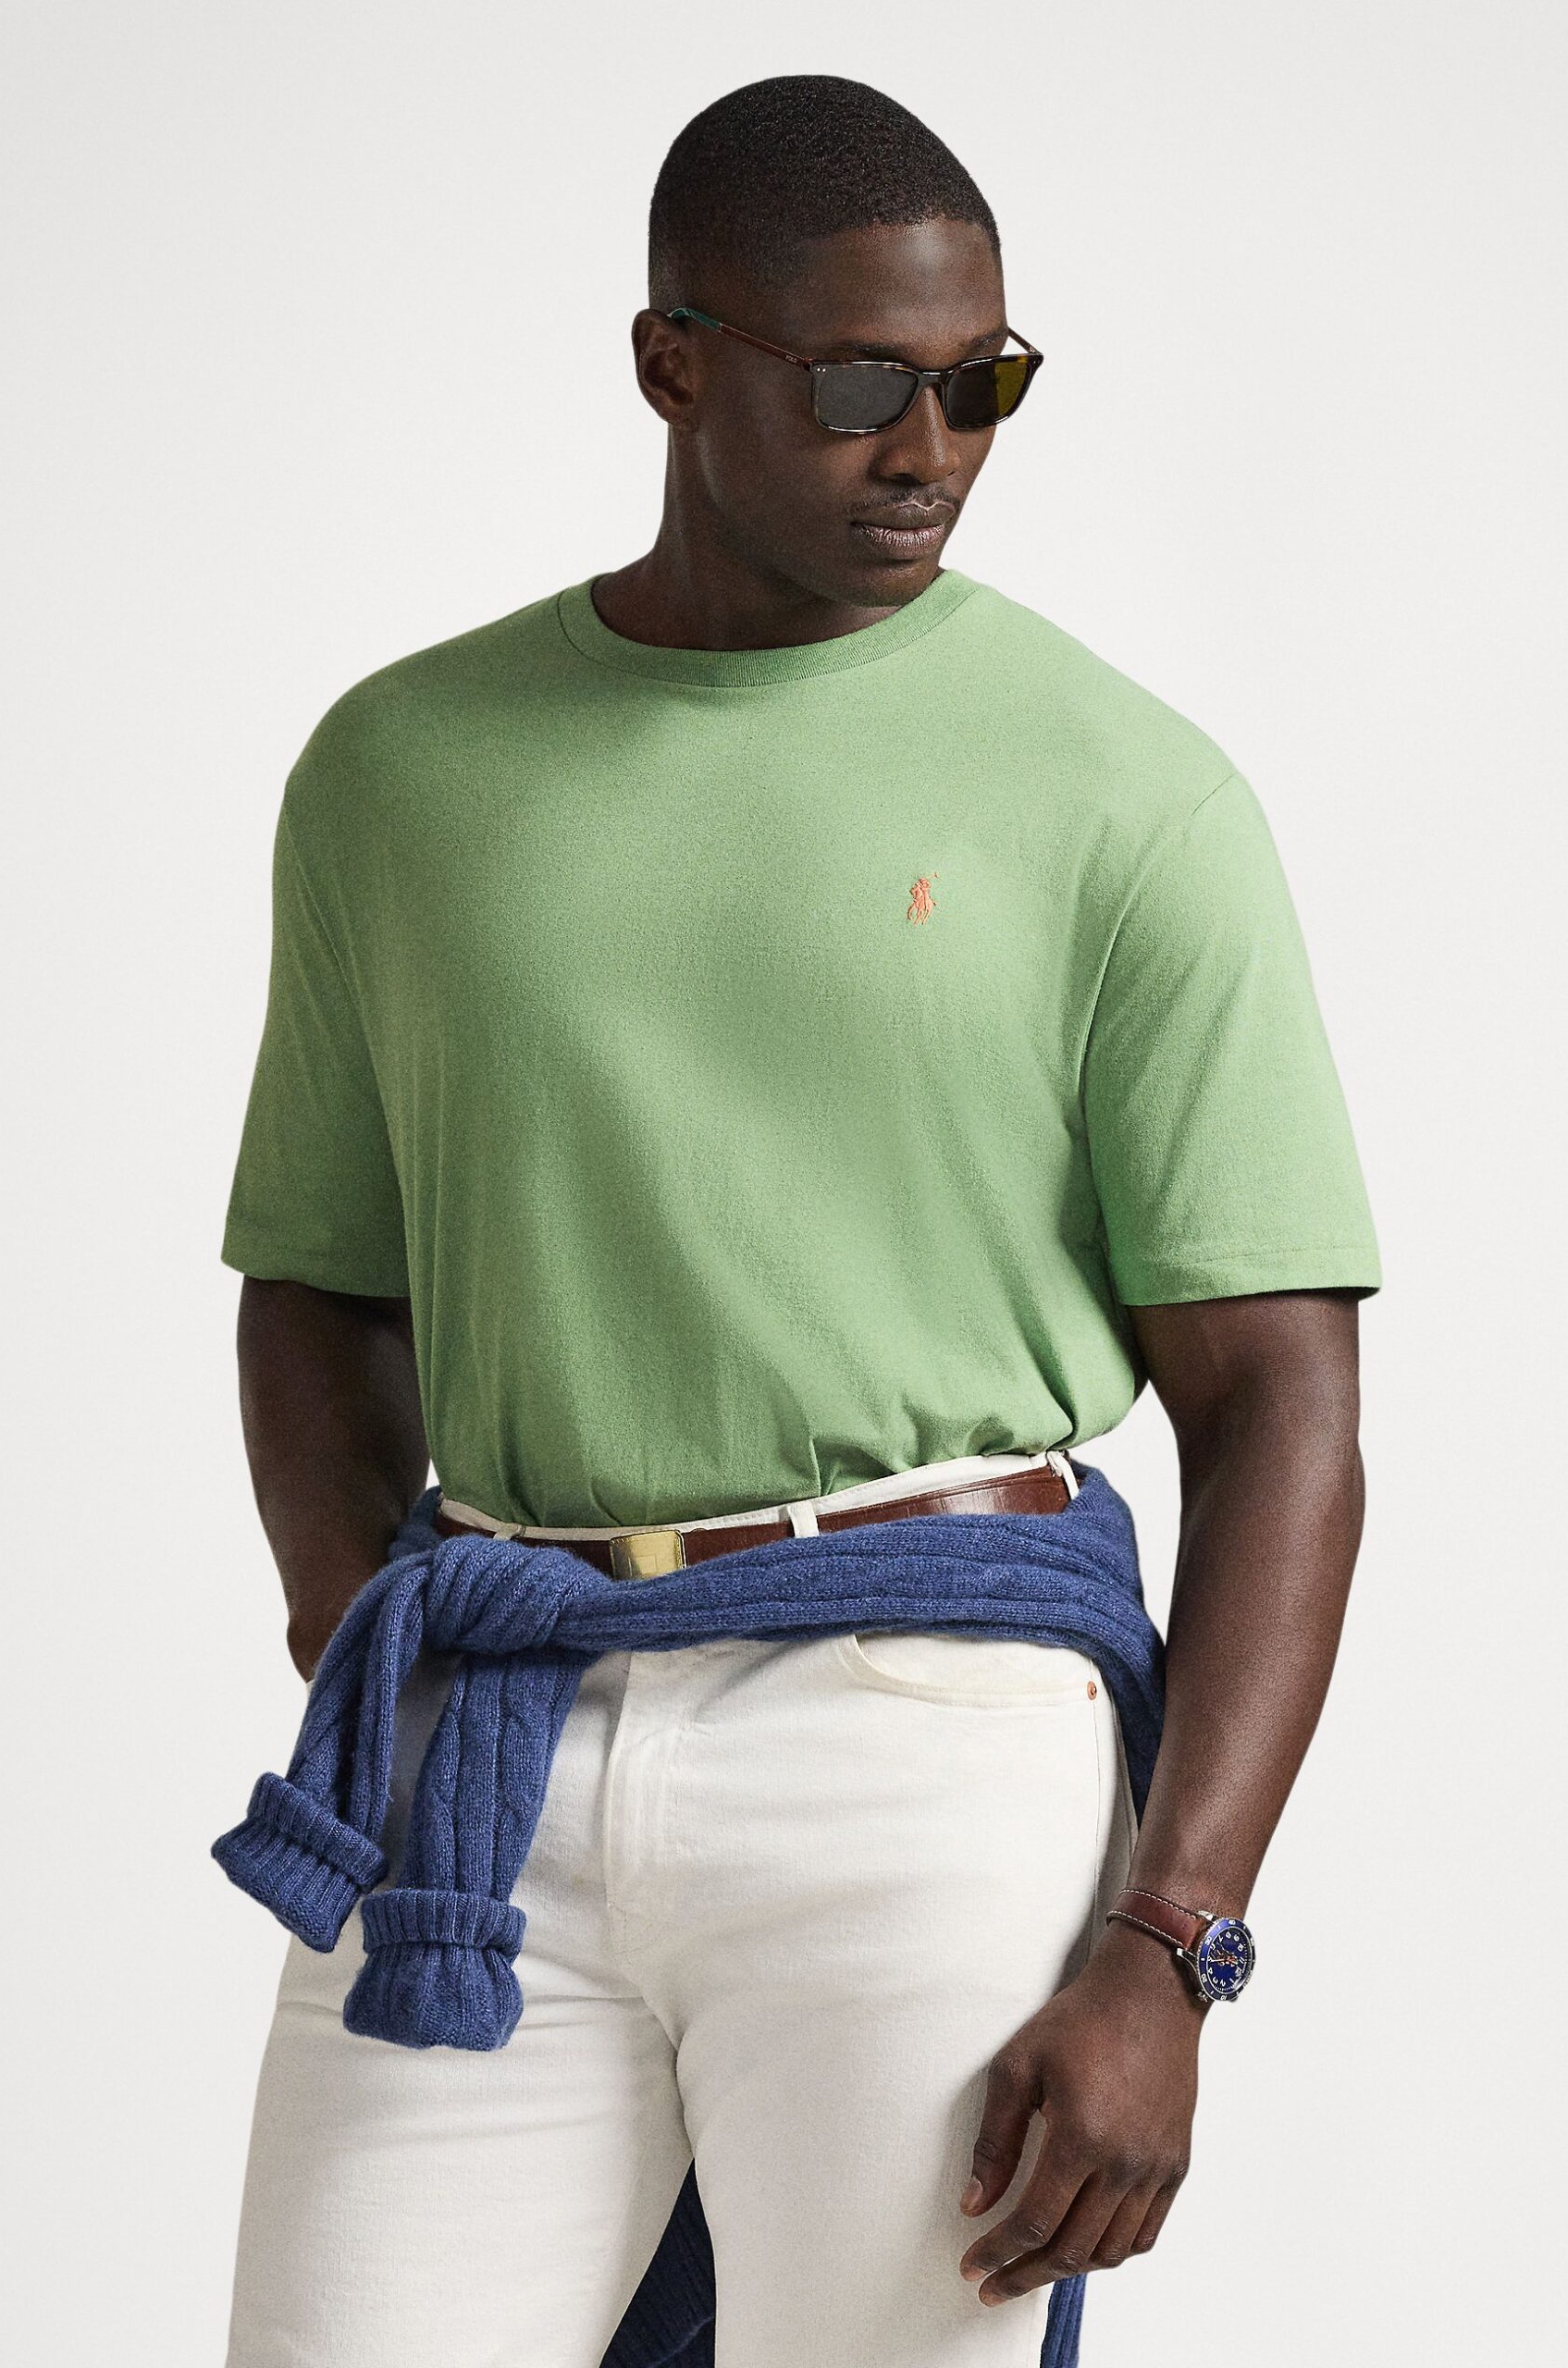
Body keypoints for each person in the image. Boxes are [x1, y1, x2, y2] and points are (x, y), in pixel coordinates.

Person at [216, 71, 1380, 2368]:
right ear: (672, 363)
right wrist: (366, 1630)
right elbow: (320, 1282)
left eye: (981, 383)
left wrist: (1167, 1940)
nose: (927, 447)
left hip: (919, 1738)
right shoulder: (400, 772)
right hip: (491, 1754)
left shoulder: (1123, 794)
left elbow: (1282, 1410)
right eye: (860, 386)